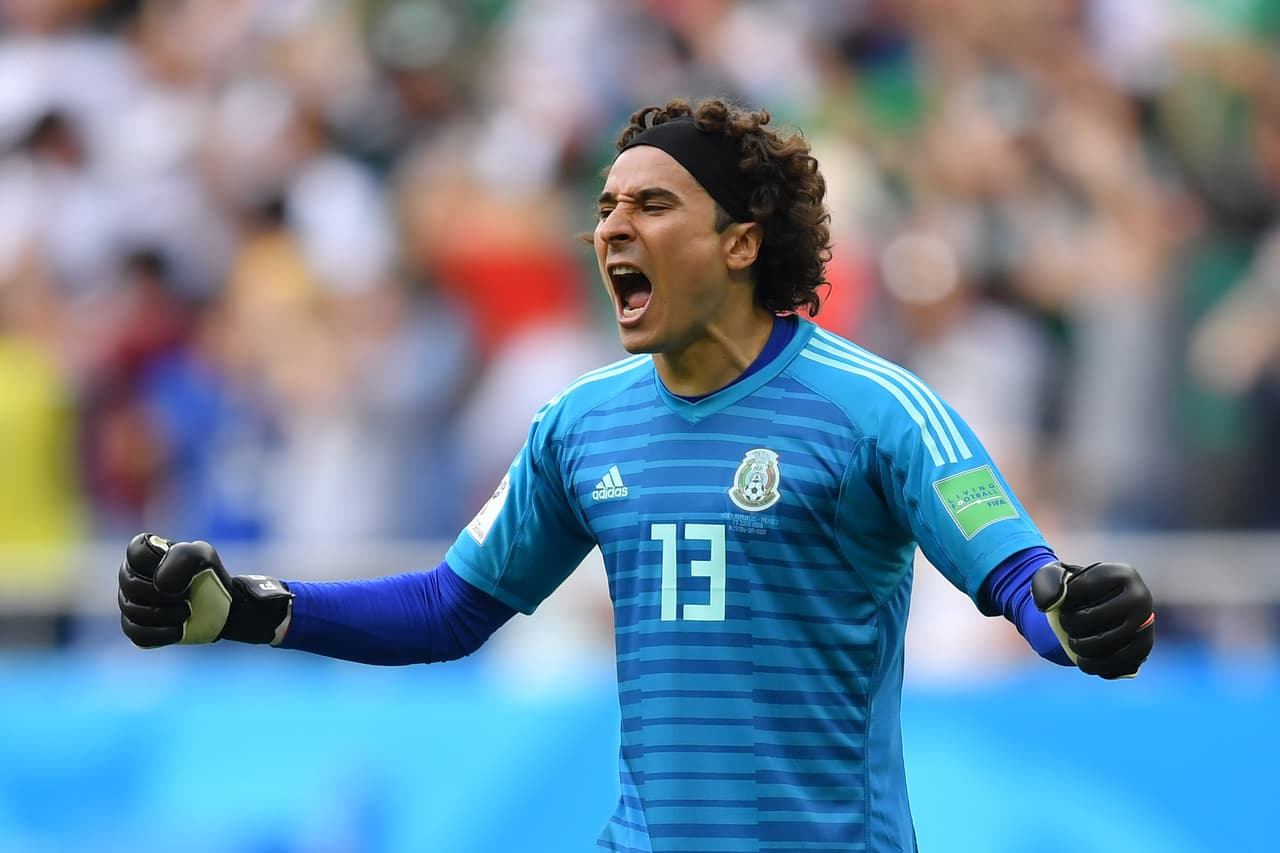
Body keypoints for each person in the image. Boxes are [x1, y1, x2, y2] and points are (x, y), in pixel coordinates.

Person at [117, 98, 1156, 852]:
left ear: (741, 241)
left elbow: (1019, 579)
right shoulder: (580, 423)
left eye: (652, 205)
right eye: (606, 207)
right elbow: (447, 608)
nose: (610, 227)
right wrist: (244, 610)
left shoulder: (873, 408)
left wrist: (1070, 616)